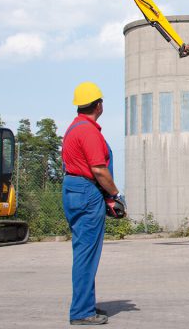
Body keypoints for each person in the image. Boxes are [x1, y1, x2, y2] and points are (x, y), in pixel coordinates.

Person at [62, 81, 126, 325]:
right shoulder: (88, 132)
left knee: (83, 251)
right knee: (86, 254)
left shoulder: (73, 128)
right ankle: (81, 312)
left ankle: (84, 304)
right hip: (87, 192)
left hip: (75, 190)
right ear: (98, 105)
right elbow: (99, 170)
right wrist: (115, 195)